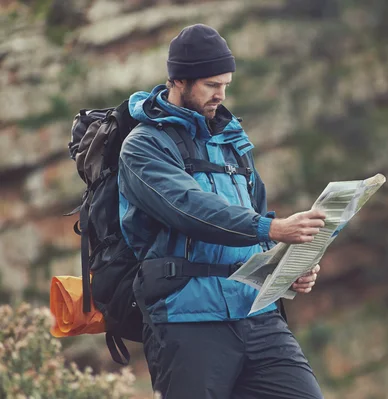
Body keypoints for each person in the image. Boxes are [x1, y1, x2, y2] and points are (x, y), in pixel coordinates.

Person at [118, 24, 326, 398]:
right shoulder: (143, 147)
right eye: (212, 84)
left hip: (257, 315)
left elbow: (257, 218)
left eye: (226, 84)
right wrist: (274, 229)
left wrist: (288, 266)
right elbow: (190, 208)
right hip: (188, 321)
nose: (221, 94)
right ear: (178, 80)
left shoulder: (232, 141)